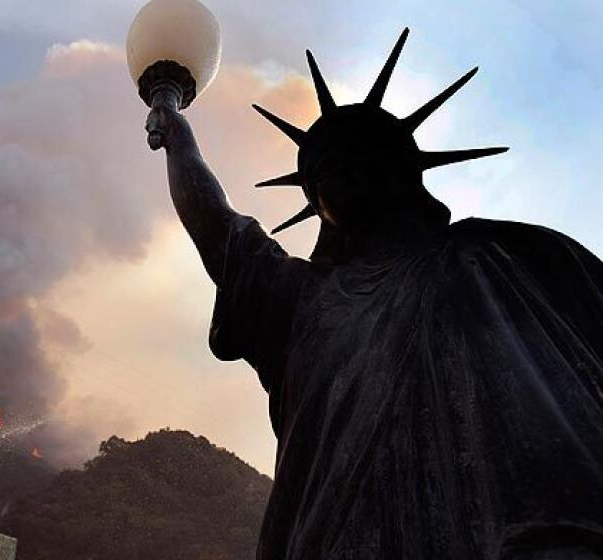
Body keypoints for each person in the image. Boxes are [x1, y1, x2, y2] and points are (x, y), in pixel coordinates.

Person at [145, 29, 603, 559]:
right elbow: (219, 229)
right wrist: (176, 131)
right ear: (318, 203)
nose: (348, 171)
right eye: (328, 169)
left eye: (364, 155)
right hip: (337, 533)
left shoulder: (503, 254)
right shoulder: (300, 300)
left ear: (407, 173)